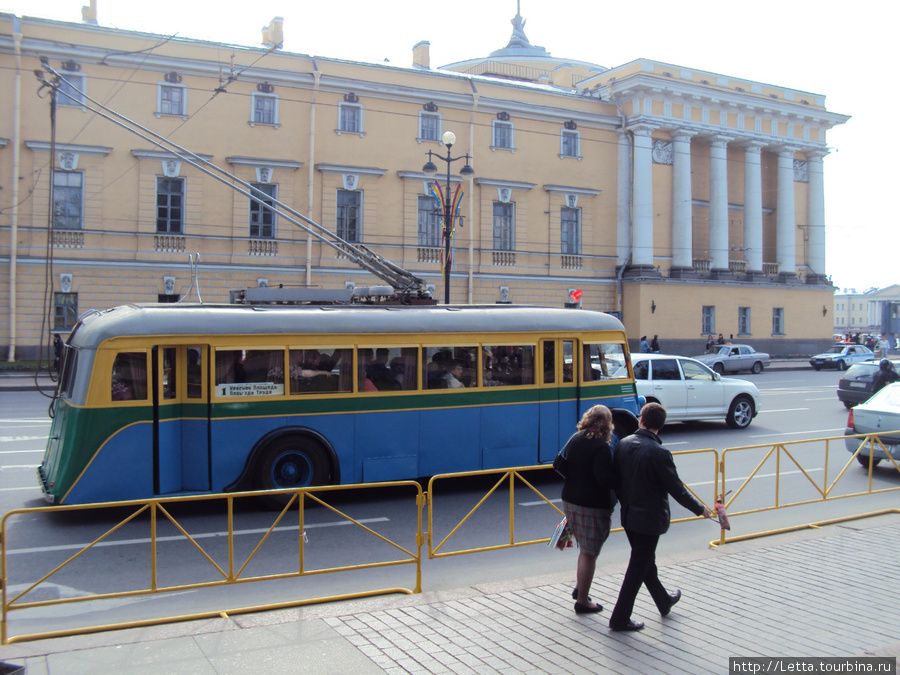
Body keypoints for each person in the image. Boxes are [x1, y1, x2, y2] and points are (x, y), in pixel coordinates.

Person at [608, 402, 712, 632]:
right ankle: (619, 618)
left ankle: (664, 601)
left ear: (640, 420)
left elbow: (616, 482)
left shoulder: (623, 444)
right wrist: (701, 509)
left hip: (629, 516)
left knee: (645, 562)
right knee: (638, 566)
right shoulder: (659, 452)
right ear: (661, 425)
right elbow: (677, 489)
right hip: (649, 520)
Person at [560, 405, 617, 615]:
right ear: (606, 423)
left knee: (584, 548)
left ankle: (579, 588)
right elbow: (604, 480)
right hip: (591, 504)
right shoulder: (600, 447)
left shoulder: (576, 438)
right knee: (589, 553)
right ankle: (582, 601)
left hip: (570, 499)